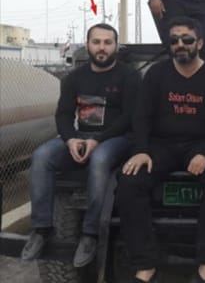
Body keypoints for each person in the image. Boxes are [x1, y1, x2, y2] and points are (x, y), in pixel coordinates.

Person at [116, 17, 205, 283]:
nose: (180, 44)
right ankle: (145, 265)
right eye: (174, 40)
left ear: (199, 43)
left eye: (187, 39)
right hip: (161, 147)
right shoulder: (156, 74)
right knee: (129, 181)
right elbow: (141, 117)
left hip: (200, 147)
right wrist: (141, 150)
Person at [21, 24, 140, 268]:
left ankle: (90, 233)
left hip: (117, 139)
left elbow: (129, 117)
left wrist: (98, 140)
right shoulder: (74, 78)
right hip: (81, 136)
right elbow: (64, 114)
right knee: (42, 156)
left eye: (107, 42)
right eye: (96, 42)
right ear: (87, 45)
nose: (102, 47)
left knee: (99, 159)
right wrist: (71, 139)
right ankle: (41, 228)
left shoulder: (129, 76)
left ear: (116, 46)